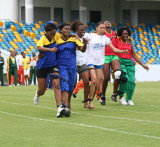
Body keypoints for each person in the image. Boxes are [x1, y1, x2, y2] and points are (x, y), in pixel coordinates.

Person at [84, 22, 128, 109]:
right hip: (90, 61)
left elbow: (114, 49)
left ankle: (90, 100)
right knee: (94, 80)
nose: (102, 29)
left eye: (103, 28)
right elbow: (78, 36)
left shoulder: (105, 38)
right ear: (96, 28)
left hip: (99, 62)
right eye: (100, 28)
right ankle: (90, 101)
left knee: (96, 82)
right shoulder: (90, 36)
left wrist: (122, 51)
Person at [112, 26, 149, 105]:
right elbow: (113, 49)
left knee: (131, 82)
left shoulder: (130, 42)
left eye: (126, 33)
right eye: (123, 34)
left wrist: (143, 65)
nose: (125, 35)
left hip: (130, 63)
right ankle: (121, 97)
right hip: (120, 62)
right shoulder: (117, 41)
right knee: (125, 79)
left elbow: (134, 55)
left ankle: (129, 99)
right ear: (120, 34)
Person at [56, 23, 87, 115]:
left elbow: (82, 49)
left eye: (69, 29)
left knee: (71, 87)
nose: (68, 30)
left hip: (72, 66)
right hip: (61, 66)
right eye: (65, 28)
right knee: (64, 85)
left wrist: (85, 44)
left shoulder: (74, 39)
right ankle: (66, 107)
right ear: (61, 30)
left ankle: (65, 103)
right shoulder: (57, 38)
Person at [33, 22, 63, 118]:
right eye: (51, 34)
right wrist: (50, 50)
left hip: (53, 65)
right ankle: (37, 94)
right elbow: (39, 47)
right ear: (46, 32)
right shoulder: (42, 38)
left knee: (56, 85)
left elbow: (65, 36)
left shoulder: (56, 36)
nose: (53, 35)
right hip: (42, 66)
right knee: (42, 90)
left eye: (54, 33)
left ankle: (59, 108)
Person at [70, 20, 90, 108]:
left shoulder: (84, 38)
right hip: (73, 63)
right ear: (76, 30)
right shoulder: (73, 38)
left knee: (86, 82)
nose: (83, 31)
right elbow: (81, 49)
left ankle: (86, 102)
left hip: (82, 62)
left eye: (84, 29)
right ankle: (67, 102)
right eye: (81, 29)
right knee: (72, 84)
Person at [101, 21, 121, 105]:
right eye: (106, 22)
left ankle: (114, 93)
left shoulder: (116, 33)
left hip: (114, 55)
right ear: (103, 26)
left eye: (109, 22)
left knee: (118, 73)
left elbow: (123, 38)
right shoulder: (102, 34)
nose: (108, 23)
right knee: (106, 78)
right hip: (105, 56)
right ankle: (103, 95)